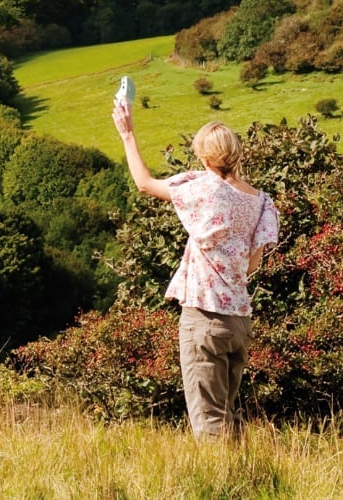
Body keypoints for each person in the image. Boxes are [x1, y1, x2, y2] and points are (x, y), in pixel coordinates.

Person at [113, 104, 281, 439]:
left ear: (204, 157)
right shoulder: (262, 202)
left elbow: (145, 184)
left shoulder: (205, 188)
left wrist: (127, 134)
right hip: (238, 320)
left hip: (204, 316)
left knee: (208, 422)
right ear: (237, 154)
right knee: (228, 415)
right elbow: (253, 264)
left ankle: (218, 486)